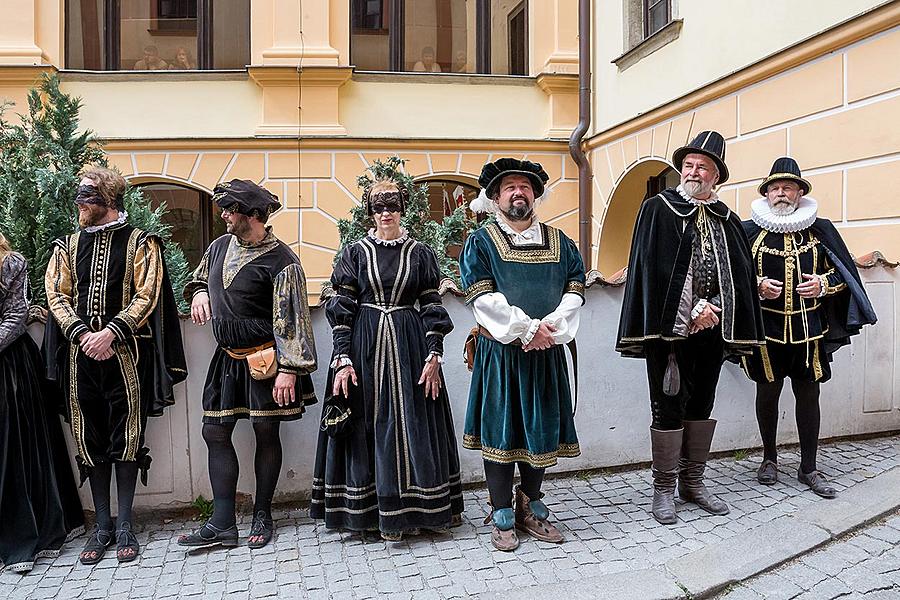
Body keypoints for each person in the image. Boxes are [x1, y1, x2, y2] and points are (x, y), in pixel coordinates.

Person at [616, 131, 766, 525]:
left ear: (717, 176)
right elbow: (652, 268)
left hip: (714, 330)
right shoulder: (658, 209)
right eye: (688, 166)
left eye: (703, 167)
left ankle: (693, 483)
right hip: (671, 333)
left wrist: (716, 306)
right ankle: (663, 489)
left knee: (702, 404)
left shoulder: (728, 220)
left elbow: (739, 274)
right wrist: (690, 311)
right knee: (668, 404)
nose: (694, 172)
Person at [44, 167, 186, 564]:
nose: (79, 203)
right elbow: (56, 293)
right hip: (79, 357)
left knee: (126, 436)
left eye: (86, 196)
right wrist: (82, 335)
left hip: (126, 354)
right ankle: (102, 525)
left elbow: (148, 292)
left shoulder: (142, 243)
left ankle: (125, 523)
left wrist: (110, 333)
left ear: (107, 200)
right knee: (90, 437)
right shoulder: (66, 247)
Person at [310, 178, 463, 541]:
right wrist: (343, 357)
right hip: (364, 345)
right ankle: (370, 514)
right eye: (379, 207)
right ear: (370, 211)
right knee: (369, 422)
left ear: (402, 208)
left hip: (411, 346)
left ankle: (420, 510)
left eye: (392, 205)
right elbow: (342, 306)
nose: (386, 213)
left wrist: (435, 354)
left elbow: (431, 305)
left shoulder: (421, 253)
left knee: (415, 421)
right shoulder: (355, 253)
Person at [177, 180, 317, 551]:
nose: (223, 215)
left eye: (230, 210)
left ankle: (263, 513)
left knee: (265, 432)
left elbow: (294, 320)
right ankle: (222, 522)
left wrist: (289, 369)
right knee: (215, 432)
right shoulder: (219, 246)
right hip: (227, 358)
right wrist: (201, 292)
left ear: (253, 215)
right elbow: (195, 279)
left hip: (266, 361)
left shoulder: (283, 261)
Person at [460, 158, 585, 552]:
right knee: (502, 429)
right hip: (501, 355)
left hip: (545, 354)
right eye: (510, 187)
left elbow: (575, 287)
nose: (519, 192)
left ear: (535, 194)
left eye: (525, 187)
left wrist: (549, 329)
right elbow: (483, 298)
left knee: (540, 427)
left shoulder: (561, 241)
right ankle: (501, 512)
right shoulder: (480, 242)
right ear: (495, 197)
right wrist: (526, 330)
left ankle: (530, 505)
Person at [742, 157, 876, 498]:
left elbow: (843, 273)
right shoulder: (749, 232)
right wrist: (756, 285)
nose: (781, 194)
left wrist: (822, 284)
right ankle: (769, 458)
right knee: (767, 395)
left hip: (808, 332)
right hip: (766, 332)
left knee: (808, 397)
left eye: (788, 187)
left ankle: (809, 467)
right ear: (767, 194)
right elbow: (733, 274)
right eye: (775, 188)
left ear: (800, 192)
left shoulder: (820, 231)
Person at [0, 233, 84, 573]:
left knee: (14, 453)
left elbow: (16, 316)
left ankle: (22, 541)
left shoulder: (10, 263)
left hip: (10, 368)